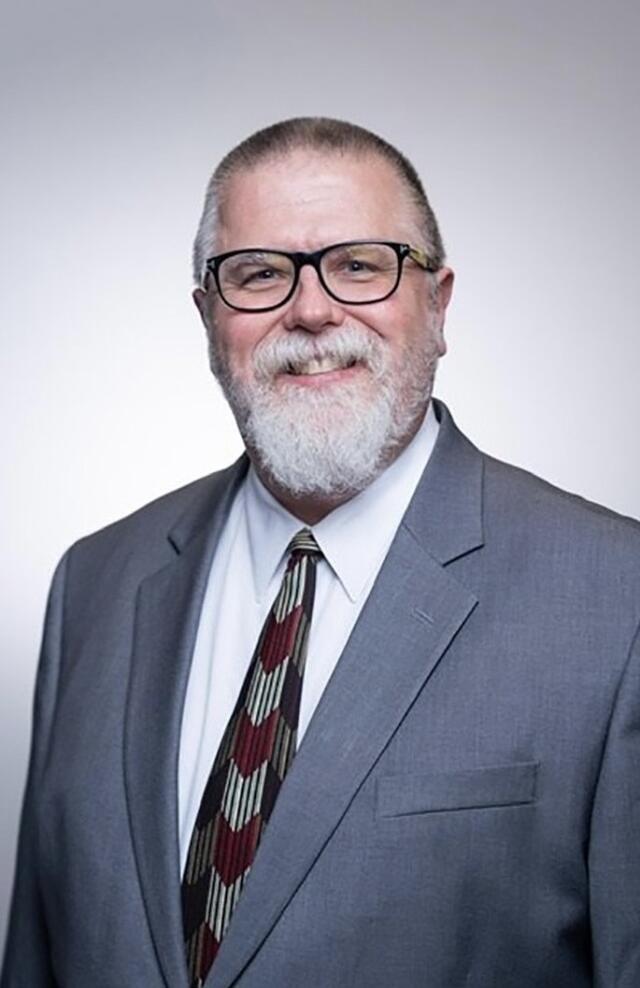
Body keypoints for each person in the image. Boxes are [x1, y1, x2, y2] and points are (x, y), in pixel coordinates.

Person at [2, 116, 639, 988]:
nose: (310, 309)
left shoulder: (615, 598)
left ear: (439, 303)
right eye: (258, 274)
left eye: (360, 264)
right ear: (207, 316)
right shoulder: (96, 582)